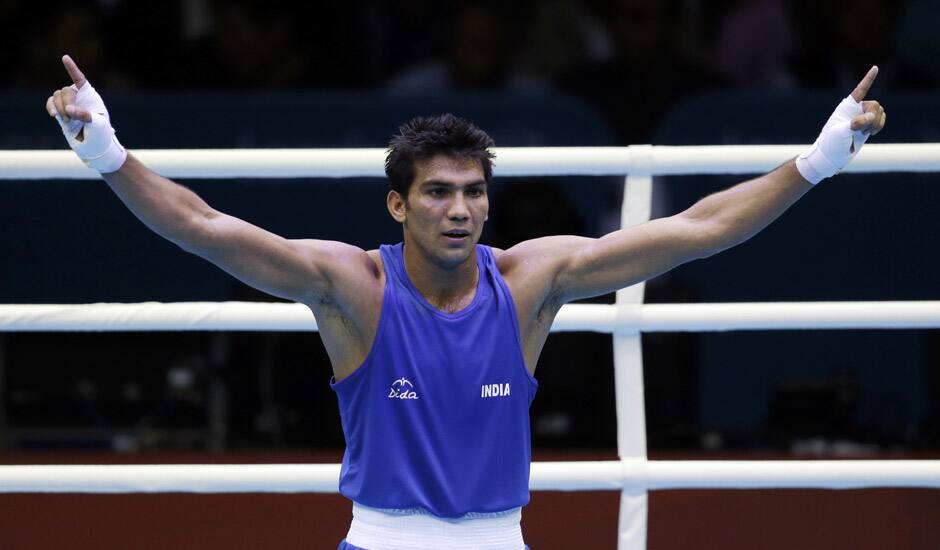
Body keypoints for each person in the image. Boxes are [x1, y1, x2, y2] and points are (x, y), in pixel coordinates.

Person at [46, 54, 886, 550]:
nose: (460, 208)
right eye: (440, 192)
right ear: (398, 205)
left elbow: (696, 229)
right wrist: (105, 152)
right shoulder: (351, 288)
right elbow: (203, 226)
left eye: (475, 192)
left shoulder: (530, 280)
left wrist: (817, 161)